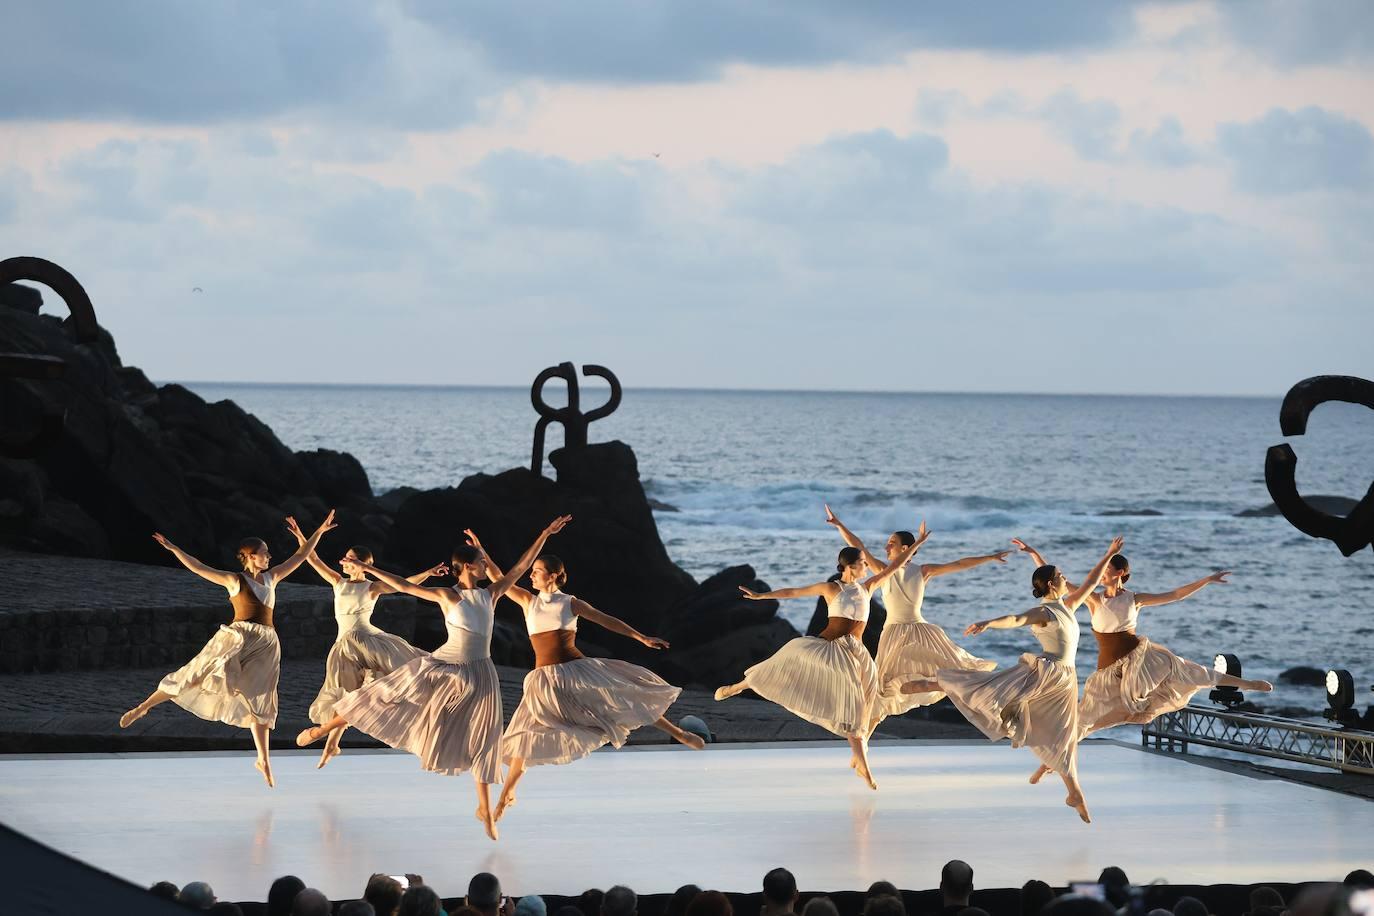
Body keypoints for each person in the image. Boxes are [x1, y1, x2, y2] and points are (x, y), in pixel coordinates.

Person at [298, 516, 571, 840]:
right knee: (381, 693)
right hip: (444, 665)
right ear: (467, 567)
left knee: (487, 736)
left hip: (481, 672)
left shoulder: (491, 594)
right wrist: (368, 569)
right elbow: (404, 586)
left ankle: (484, 807)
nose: (486, 566)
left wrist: (544, 533)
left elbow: (519, 566)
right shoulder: (448, 596)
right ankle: (324, 729)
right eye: (481, 563)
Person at [903, 537, 1125, 823]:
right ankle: (937, 683)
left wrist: (1108, 554)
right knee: (990, 691)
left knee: (1066, 735)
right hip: (1047, 674)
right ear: (1049, 584)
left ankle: (1072, 791)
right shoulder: (1045, 612)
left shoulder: (1069, 604)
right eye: (1060, 576)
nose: (1066, 578)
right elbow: (1016, 619)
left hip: (1066, 678)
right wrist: (988, 622)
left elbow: (1092, 582)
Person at [120, 512, 337, 786]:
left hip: (267, 643)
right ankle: (144, 706)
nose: (269, 557)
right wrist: (174, 548)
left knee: (262, 699)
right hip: (238, 637)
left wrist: (317, 531)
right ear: (250, 556)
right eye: (264, 553)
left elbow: (302, 554)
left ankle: (264, 759)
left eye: (268, 553)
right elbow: (199, 567)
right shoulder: (235, 581)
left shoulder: (272, 577)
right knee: (195, 673)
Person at [492, 549, 702, 822]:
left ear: (553, 576)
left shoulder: (570, 603)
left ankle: (679, 733)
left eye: (537, 571)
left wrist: (641, 638)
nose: (531, 575)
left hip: (576, 670)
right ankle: (508, 793)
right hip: (542, 680)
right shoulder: (528, 601)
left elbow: (606, 620)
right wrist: (482, 552)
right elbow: (498, 578)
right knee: (523, 731)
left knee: (624, 695)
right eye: (531, 571)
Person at [1011, 539, 1271, 748]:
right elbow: (1057, 582)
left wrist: (1206, 580)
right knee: (1087, 718)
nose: (1102, 576)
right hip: (1109, 669)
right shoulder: (1093, 599)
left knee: (1191, 671)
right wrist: (1034, 554)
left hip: (1140, 659)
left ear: (1121, 573)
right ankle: (1056, 757)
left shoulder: (1135, 599)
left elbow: (1176, 595)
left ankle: (1248, 685)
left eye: (1108, 571)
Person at [716, 535, 924, 789]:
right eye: (862, 563)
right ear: (848, 567)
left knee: (868, 705)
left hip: (858, 654)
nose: (867, 566)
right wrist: (761, 597)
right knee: (840, 698)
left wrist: (917, 545)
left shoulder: (867, 587)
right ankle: (737, 687)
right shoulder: (831, 589)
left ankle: (859, 758)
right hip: (831, 649)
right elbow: (793, 592)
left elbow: (894, 566)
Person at [825, 506, 1006, 736]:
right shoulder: (883, 569)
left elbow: (959, 564)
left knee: (945, 671)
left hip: (920, 630)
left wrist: (989, 557)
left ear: (905, 548)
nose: (886, 546)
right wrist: (839, 525)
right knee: (884, 688)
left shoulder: (923, 571)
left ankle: (864, 739)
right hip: (894, 632)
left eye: (891, 542)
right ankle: (864, 742)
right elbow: (858, 545)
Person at [287, 520, 446, 769]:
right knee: (346, 693)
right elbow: (313, 559)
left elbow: (402, 584)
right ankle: (332, 744)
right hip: (344, 644)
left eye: (350, 558)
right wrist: (303, 535)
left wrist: (427, 573)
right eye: (346, 557)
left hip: (367, 642)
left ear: (362, 563)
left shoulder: (371, 587)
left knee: (377, 686)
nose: (345, 561)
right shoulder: (338, 582)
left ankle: (330, 740)